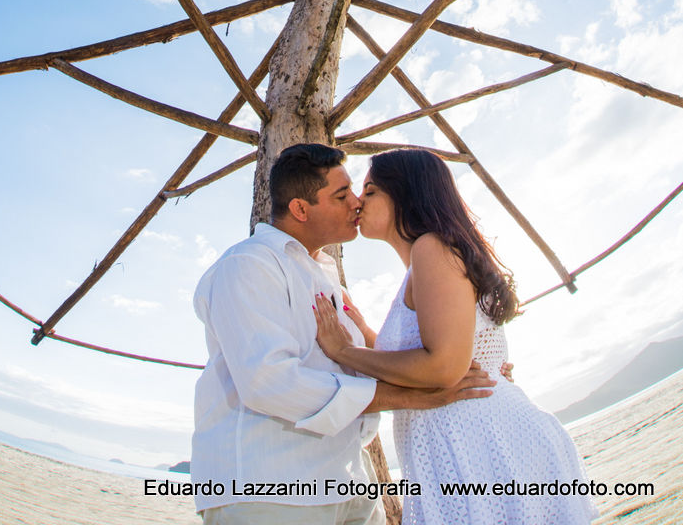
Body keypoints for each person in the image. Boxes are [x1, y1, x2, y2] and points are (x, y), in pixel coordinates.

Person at [191, 143, 502, 524]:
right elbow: (267, 382)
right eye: (343, 195)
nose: (356, 202)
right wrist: (411, 396)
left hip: (349, 481)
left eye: (361, 191)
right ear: (301, 209)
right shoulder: (248, 265)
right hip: (270, 489)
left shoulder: (324, 276)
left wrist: (482, 365)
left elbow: (376, 363)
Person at [313, 148, 597, 525]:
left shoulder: (432, 248)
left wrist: (345, 351)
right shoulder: (423, 262)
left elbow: (444, 366)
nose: (359, 201)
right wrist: (366, 333)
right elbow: (423, 355)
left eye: (371, 190)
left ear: (405, 194)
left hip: (481, 448)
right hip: (468, 447)